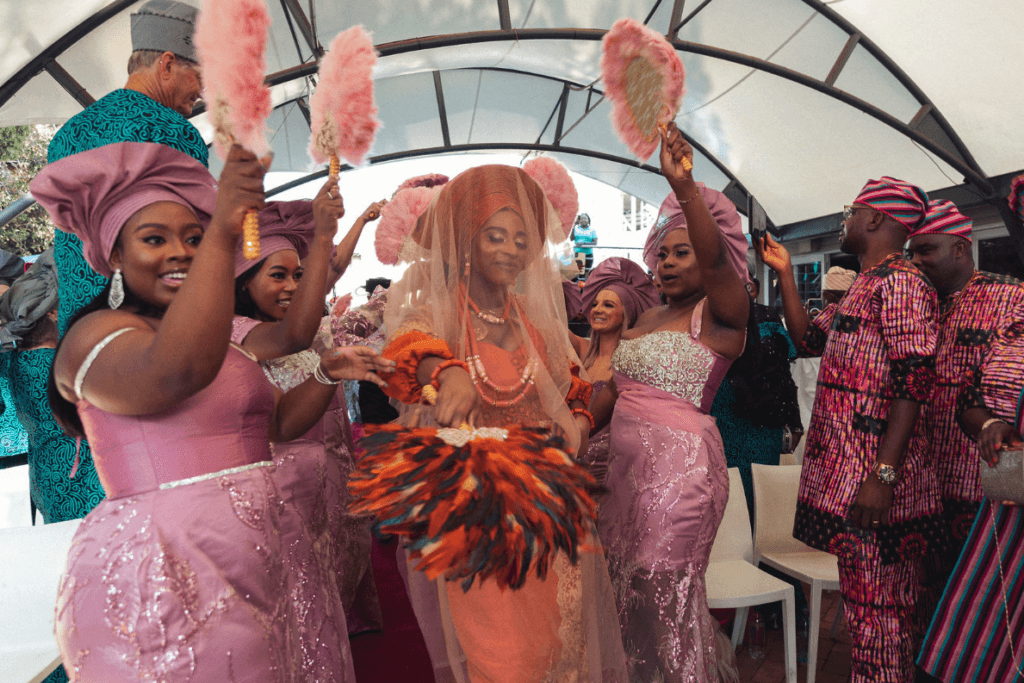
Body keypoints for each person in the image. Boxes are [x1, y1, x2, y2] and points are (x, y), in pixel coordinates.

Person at [31, 141, 392, 682]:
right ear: (115, 256)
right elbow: (172, 375)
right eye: (155, 239)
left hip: (263, 560)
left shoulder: (219, 344)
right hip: (175, 573)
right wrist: (222, 231)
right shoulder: (94, 339)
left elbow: (275, 428)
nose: (181, 252)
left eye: (192, 238)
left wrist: (325, 373)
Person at [378, 163, 627, 682]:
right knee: (503, 661)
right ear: (467, 241)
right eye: (496, 236)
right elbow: (407, 350)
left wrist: (578, 422)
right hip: (477, 515)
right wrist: (446, 374)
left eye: (521, 239)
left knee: (558, 648)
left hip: (549, 510)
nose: (512, 249)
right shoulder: (436, 314)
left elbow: (574, 389)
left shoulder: (533, 324)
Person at [757, 177, 941, 683]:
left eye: (851, 210)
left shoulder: (901, 284)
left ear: (877, 218)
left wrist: (882, 476)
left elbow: (913, 381)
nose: (845, 220)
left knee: (880, 616)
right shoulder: (865, 282)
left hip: (877, 487)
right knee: (867, 615)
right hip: (848, 480)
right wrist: (787, 275)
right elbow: (807, 338)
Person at [590, 124, 748, 682]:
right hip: (622, 474)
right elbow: (614, 389)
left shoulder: (722, 314)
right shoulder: (647, 318)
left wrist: (683, 189)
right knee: (622, 590)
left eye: (684, 252)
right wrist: (579, 428)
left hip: (680, 476)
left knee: (663, 591)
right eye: (662, 253)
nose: (669, 262)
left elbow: (717, 268)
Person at [231, 181, 384, 652]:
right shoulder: (240, 333)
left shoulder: (294, 324)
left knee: (336, 568)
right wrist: (329, 231)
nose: (294, 287)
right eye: (278, 275)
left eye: (299, 276)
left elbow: (328, 273)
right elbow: (303, 329)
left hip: (325, 470)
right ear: (243, 280)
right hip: (280, 489)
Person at [904, 199, 1024, 628]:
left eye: (927, 249)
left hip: (986, 485)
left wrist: (1007, 466)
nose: (916, 261)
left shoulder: (1009, 298)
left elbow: (1005, 396)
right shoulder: (912, 304)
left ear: (961, 248)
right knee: (927, 608)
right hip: (921, 484)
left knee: (988, 609)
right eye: (911, 253)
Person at [916, 313, 1024, 683]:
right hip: (1005, 514)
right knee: (974, 637)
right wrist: (991, 425)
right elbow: (970, 398)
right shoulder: (1015, 328)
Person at [710, 276, 802, 521]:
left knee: (757, 499)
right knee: (721, 495)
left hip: (763, 420)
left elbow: (783, 370)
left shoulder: (767, 316)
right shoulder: (702, 315)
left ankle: (754, 554)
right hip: (718, 418)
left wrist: (794, 419)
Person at [572, 256, 659, 489]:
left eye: (608, 305)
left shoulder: (632, 361)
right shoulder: (581, 351)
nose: (598, 310)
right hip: (571, 464)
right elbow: (545, 324)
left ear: (626, 314)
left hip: (611, 471)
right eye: (595, 304)